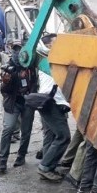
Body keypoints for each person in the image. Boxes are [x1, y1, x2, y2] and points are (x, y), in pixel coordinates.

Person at [0, 39, 38, 171]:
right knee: (8, 129)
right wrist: (6, 82)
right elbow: (4, 90)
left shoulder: (31, 65)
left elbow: (36, 82)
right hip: (13, 103)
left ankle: (21, 156)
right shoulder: (9, 66)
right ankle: (2, 160)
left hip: (28, 102)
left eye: (19, 49)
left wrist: (32, 95)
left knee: (26, 131)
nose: (17, 52)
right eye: (15, 49)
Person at [36, 34, 71, 181]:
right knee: (64, 136)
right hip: (51, 103)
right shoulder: (48, 61)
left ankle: (50, 165)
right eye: (56, 43)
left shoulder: (53, 60)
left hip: (53, 103)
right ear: (48, 46)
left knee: (52, 135)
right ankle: (45, 166)